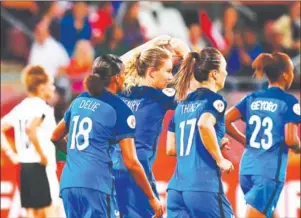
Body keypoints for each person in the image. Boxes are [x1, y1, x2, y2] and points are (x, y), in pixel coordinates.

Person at [50, 54, 163, 218]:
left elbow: (55, 136)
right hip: (96, 184)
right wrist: (151, 198)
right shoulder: (120, 109)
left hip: (69, 183)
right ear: (117, 77)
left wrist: (78, 156)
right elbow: (131, 162)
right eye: (124, 74)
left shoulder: (79, 100)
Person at [111, 36, 189, 218]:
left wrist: (149, 44)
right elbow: (195, 89)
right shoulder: (160, 96)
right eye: (168, 71)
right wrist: (186, 53)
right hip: (139, 172)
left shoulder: (124, 91)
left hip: (113, 169)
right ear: (152, 72)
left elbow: (112, 65)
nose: (171, 77)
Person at [225, 52, 300, 218]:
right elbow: (290, 139)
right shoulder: (288, 101)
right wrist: (299, 147)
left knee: (268, 212)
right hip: (268, 172)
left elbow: (225, 121)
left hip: (247, 170)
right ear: (286, 75)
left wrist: (244, 140)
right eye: (292, 72)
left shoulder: (252, 98)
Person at [166, 47, 235, 218]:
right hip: (202, 187)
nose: (226, 72)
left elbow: (171, 148)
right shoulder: (214, 100)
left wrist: (215, 143)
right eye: (224, 68)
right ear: (214, 74)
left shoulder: (181, 105)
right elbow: (204, 125)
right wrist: (220, 159)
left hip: (176, 190)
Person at [1, 65, 60, 218]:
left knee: (32, 214)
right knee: (51, 212)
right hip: (42, 167)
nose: (53, 88)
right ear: (41, 87)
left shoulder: (21, 107)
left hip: (25, 168)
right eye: (51, 84)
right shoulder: (43, 108)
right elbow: (31, 129)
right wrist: (42, 155)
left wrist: (10, 153)